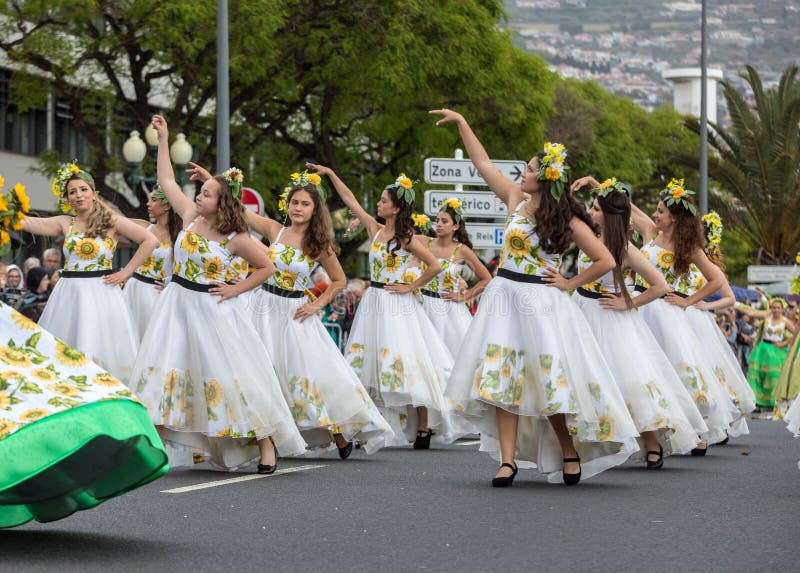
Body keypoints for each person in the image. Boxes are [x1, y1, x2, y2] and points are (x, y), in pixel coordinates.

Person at [431, 109, 638, 486]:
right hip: (503, 298)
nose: (521, 175)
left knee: (548, 380)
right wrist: (463, 122)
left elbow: (605, 259)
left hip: (542, 304)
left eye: (527, 170)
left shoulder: (568, 220)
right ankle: (507, 462)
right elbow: (481, 162)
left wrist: (568, 282)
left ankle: (568, 449)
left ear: (544, 178)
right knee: (500, 378)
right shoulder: (514, 199)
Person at [130, 114, 305, 473]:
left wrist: (234, 289)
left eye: (207, 193)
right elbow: (166, 179)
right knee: (165, 369)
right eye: (201, 191)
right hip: (176, 303)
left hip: (213, 308)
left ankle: (264, 441)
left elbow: (267, 268)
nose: (199, 195)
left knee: (228, 375)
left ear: (222, 203)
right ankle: (147, 445)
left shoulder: (236, 238)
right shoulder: (190, 216)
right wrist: (163, 139)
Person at [186, 163, 394, 457]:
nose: (297, 208)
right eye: (294, 202)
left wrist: (317, 304)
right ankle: (271, 434)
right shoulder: (275, 229)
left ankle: (337, 430)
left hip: (295, 311)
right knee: (262, 372)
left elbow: (339, 280)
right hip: (261, 306)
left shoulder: (318, 243)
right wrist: (212, 181)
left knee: (307, 374)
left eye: (305, 204)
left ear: (314, 209)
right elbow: (239, 210)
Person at [309, 161, 467, 448]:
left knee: (408, 364)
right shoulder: (374, 230)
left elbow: (434, 266)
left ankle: (422, 426)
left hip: (398, 306)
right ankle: (362, 425)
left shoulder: (406, 239)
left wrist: (410, 287)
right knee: (363, 362)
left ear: (395, 208)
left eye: (383, 201)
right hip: (374, 302)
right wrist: (332, 173)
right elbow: (350, 201)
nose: (378, 204)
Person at [569, 176, 708, 467]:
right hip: (582, 312)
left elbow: (660, 286)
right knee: (584, 376)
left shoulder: (626, 249)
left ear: (607, 215)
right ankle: (584, 442)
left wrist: (627, 303)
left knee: (630, 380)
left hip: (611, 317)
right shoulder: (589, 240)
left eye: (595, 208)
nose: (591, 212)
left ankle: (650, 440)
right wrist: (595, 183)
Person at [630, 179, 739, 453]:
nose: (655, 215)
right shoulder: (650, 233)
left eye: (660, 211)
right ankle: (651, 432)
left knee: (678, 371)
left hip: (666, 312)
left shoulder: (687, 247)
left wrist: (688, 301)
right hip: (640, 304)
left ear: (675, 218)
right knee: (644, 369)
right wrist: (597, 183)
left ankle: (694, 431)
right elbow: (626, 209)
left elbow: (717, 279)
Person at [21, 163, 155, 382]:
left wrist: (127, 271)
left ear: (93, 193)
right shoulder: (65, 222)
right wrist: (7, 212)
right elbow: (28, 222)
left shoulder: (112, 220)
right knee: (64, 350)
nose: (78, 195)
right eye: (72, 192)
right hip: (69, 293)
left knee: (99, 348)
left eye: (83, 189)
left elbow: (149, 240)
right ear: (68, 198)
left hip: (101, 292)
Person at [418, 198, 491, 357]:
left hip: (448, 311)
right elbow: (397, 233)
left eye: (444, 221)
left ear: (455, 226)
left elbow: (487, 279)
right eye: (437, 220)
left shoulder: (462, 250)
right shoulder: (424, 242)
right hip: (422, 306)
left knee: (450, 356)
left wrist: (464, 296)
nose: (438, 224)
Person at [123, 185, 182, 340]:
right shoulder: (145, 227)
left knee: (154, 338)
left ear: (168, 205)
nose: (148, 204)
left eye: (153, 200)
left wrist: (172, 285)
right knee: (129, 337)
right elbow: (113, 219)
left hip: (157, 293)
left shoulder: (183, 234)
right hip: (134, 288)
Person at [747, 297, 793, 410]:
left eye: (778, 308)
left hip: (776, 350)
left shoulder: (785, 321)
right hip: (763, 349)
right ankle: (757, 401)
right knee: (757, 375)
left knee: (774, 376)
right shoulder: (767, 316)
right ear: (771, 308)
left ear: (782, 309)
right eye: (774, 307)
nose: (776, 310)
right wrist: (734, 304)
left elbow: (795, 333)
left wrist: (784, 343)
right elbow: (751, 312)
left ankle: (774, 402)